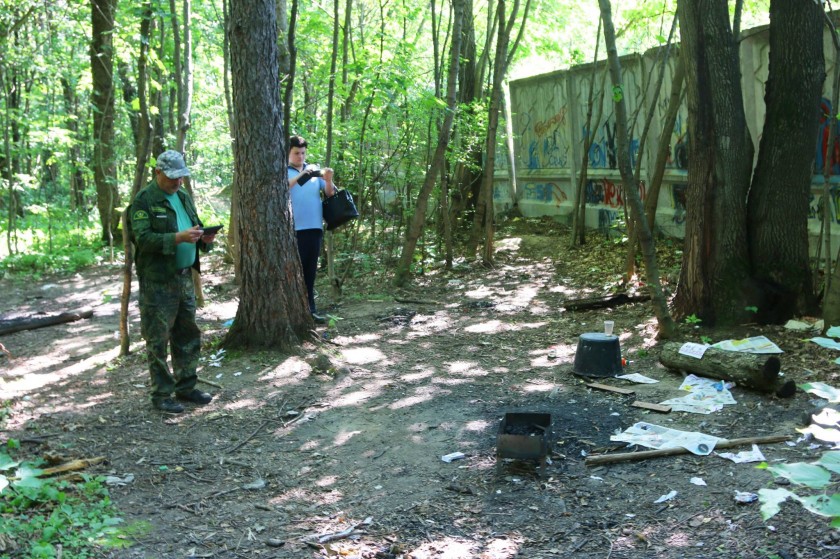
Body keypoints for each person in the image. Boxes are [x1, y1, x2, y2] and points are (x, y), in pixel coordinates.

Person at [129, 150, 217, 413]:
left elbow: (195, 225)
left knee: (187, 333)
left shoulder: (183, 196)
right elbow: (142, 240)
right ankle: (161, 395)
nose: (177, 183)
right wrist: (177, 238)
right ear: (158, 173)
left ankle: (186, 386)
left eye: (181, 178)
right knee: (157, 339)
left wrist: (204, 239)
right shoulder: (145, 200)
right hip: (158, 280)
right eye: (172, 178)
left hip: (184, 277)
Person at [287, 135, 335, 324]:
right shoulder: (284, 171)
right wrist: (302, 175)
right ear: (289, 153)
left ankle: (310, 311)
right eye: (296, 153)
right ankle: (291, 311)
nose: (300, 157)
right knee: (292, 272)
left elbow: (329, 193)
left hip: (314, 228)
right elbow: (282, 187)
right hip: (293, 231)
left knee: (309, 272)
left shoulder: (314, 171)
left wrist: (328, 179)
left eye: (303, 153)